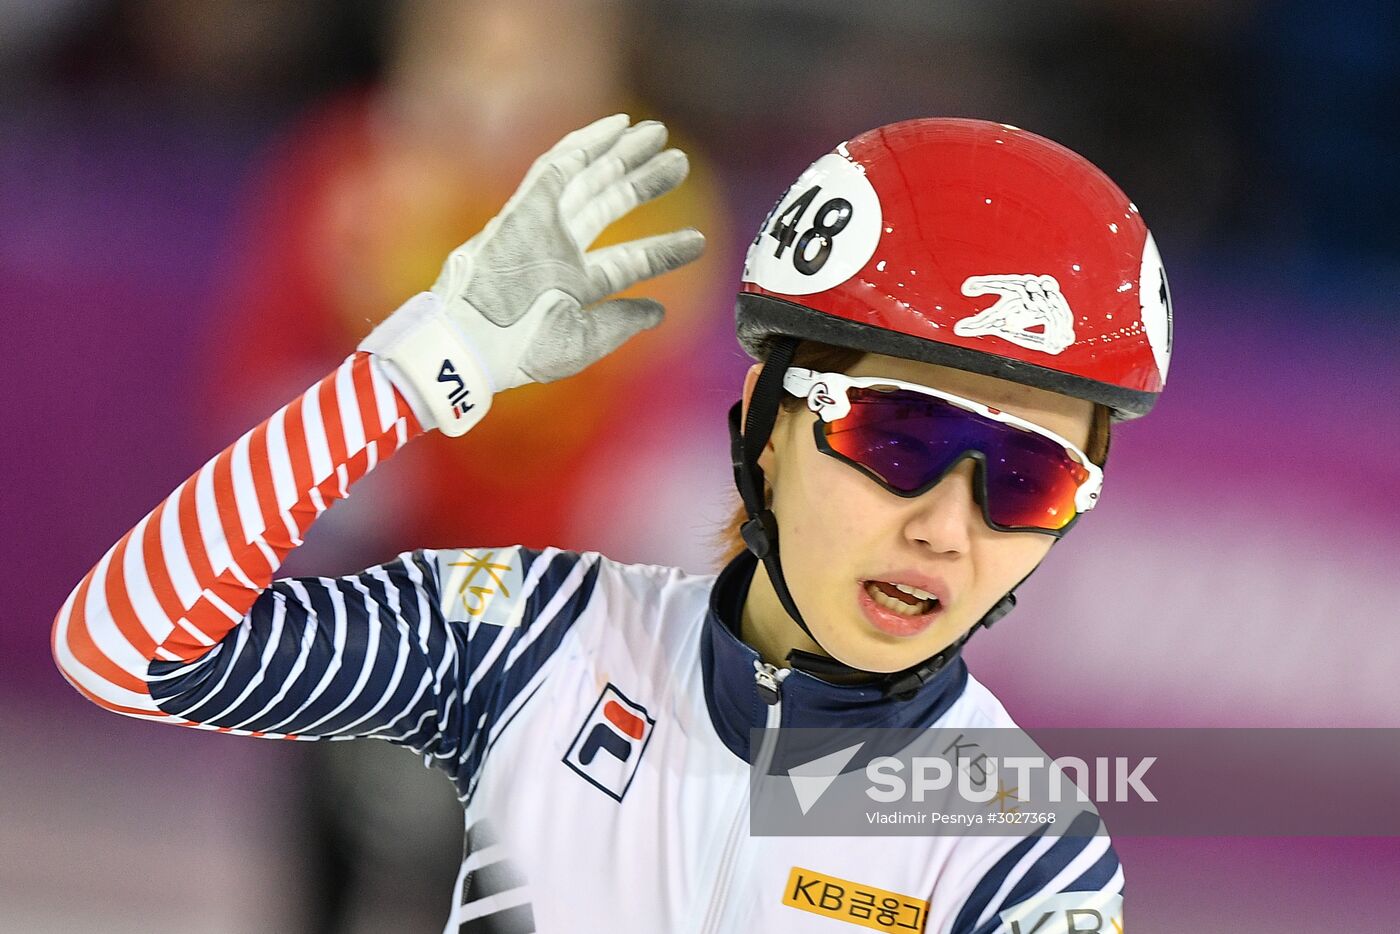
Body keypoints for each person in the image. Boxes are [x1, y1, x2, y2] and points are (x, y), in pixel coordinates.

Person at [54, 114, 1168, 932]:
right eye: (898, 440)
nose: (944, 528)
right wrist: (415, 369)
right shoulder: (537, 640)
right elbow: (128, 645)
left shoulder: (1020, 853)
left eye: (1026, 478)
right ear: (763, 433)